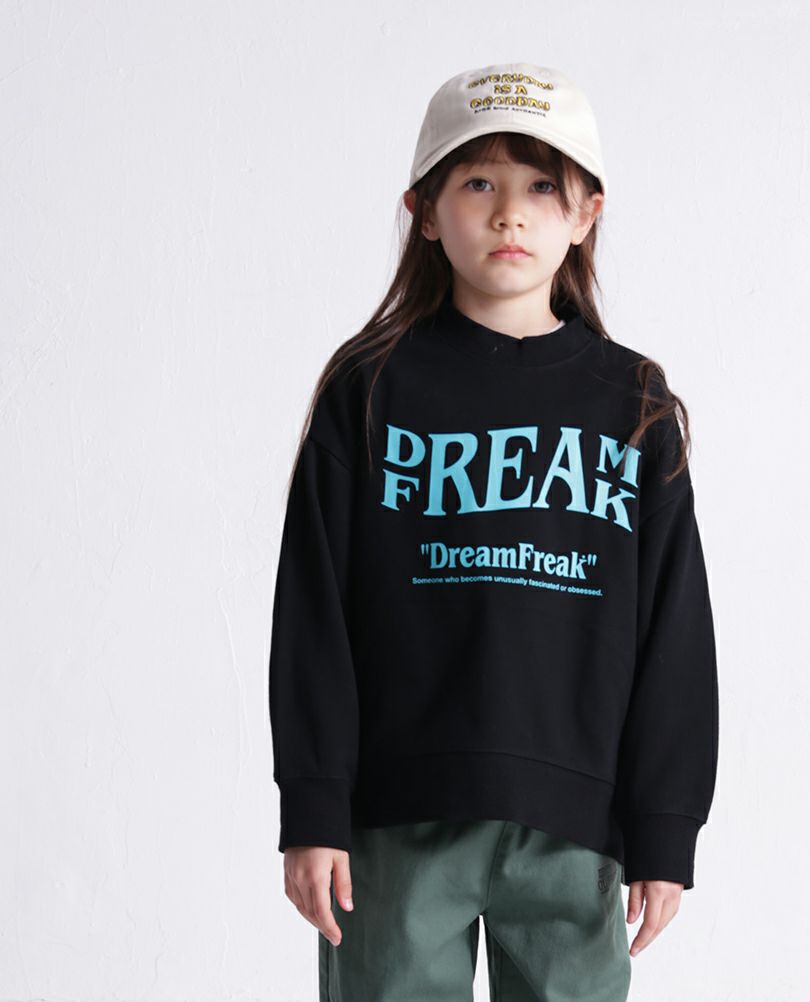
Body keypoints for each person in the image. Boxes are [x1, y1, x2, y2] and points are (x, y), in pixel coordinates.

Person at [267, 60, 719, 1001]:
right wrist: (313, 805)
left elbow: (674, 629)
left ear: (586, 212)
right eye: (478, 183)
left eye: (541, 186)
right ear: (425, 211)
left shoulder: (632, 404)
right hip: (394, 821)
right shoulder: (370, 388)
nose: (511, 214)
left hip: (574, 826)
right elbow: (313, 612)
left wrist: (665, 826)